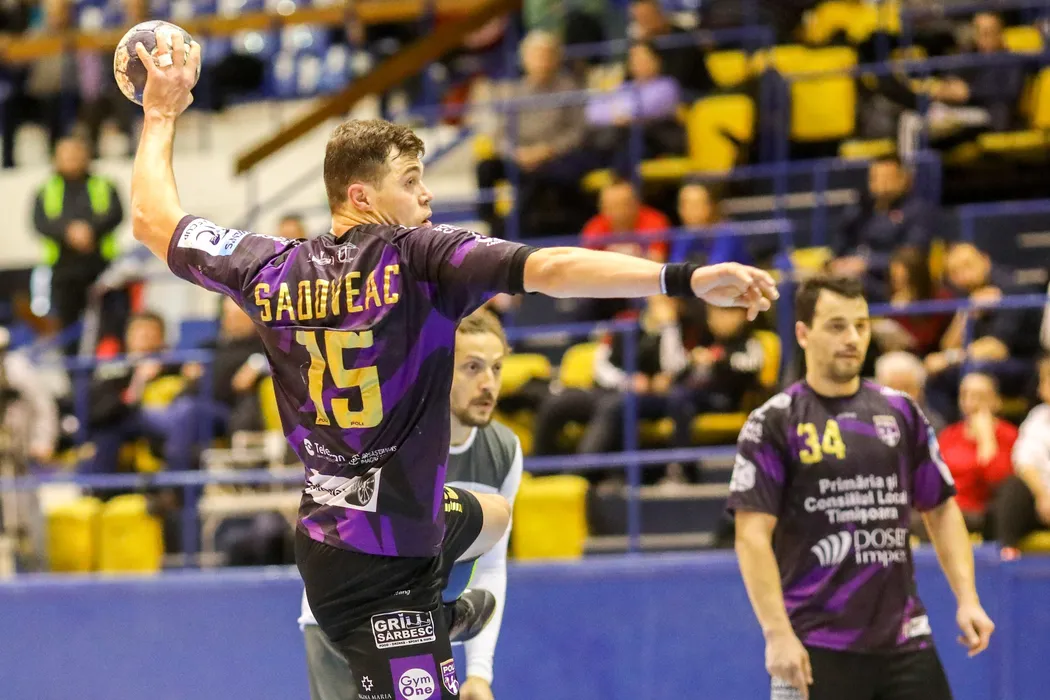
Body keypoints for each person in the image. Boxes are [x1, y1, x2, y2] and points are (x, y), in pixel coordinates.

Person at [128, 29, 777, 700]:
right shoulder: (419, 257)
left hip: (334, 530)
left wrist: (160, 114)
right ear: (362, 197)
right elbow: (551, 268)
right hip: (379, 570)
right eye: (412, 182)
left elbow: (152, 218)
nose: (427, 197)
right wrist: (683, 278)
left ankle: (442, 613)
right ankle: (431, 618)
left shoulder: (268, 264)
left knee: (494, 514)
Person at [728, 275, 994, 700]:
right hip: (814, 645)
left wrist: (968, 598)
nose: (852, 338)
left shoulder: (901, 412)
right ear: (803, 333)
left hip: (905, 642)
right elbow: (751, 536)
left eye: (861, 325)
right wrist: (777, 634)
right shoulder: (775, 422)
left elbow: (941, 508)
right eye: (837, 326)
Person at [299, 309, 523, 700]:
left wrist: (479, 673)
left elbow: (490, 566)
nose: (488, 383)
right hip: (344, 619)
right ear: (438, 369)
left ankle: (443, 614)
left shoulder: (504, 449)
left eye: (497, 368)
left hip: (418, 619)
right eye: (472, 367)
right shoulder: (388, 435)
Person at [32, 136, 125, 346]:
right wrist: (68, 232)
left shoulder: (104, 184)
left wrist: (90, 231)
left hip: (102, 267)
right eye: (66, 155)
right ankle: (71, 365)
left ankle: (107, 364)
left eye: (76, 154)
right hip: (64, 271)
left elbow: (116, 213)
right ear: (55, 158)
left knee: (109, 324)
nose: (72, 159)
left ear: (87, 156)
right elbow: (40, 222)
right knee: (67, 328)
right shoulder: (45, 190)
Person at [827, 157, 936, 302]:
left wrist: (867, 264)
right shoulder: (860, 209)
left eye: (887, 177)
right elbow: (839, 242)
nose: (880, 183)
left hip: (887, 282)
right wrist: (834, 262)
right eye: (875, 177)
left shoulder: (917, 211)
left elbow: (912, 257)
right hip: (850, 274)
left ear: (904, 179)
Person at [935, 372, 1017, 538]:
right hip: (948, 507)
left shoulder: (1009, 435)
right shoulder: (949, 435)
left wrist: (987, 440)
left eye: (980, 396)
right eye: (965, 395)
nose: (971, 402)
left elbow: (1000, 482)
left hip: (983, 512)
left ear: (996, 401)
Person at [997, 355, 1050, 561]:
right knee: (1014, 487)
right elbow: (1024, 461)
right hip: (1041, 501)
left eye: (1046, 380)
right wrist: (1042, 496)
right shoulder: (1038, 416)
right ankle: (1008, 552)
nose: (1041, 388)